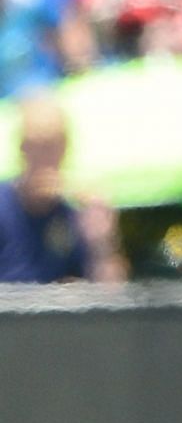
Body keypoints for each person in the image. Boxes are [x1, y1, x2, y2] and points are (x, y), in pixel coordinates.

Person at [0, 97, 121, 284]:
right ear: (21, 148)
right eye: (34, 145)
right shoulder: (4, 206)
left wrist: (101, 242)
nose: (43, 157)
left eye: (52, 146)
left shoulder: (73, 214)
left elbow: (112, 294)